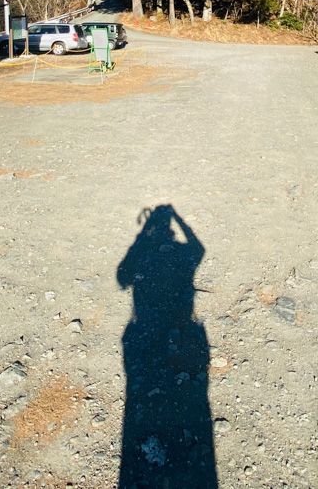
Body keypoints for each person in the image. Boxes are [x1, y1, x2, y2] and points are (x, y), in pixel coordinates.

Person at [116, 205, 216, 487]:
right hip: (185, 329)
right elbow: (199, 249)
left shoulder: (147, 246)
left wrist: (142, 239)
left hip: (143, 327)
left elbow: (122, 277)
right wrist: (179, 219)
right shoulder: (185, 255)